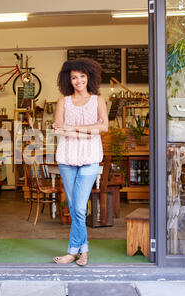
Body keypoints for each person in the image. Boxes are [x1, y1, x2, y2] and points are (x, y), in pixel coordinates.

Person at [52, 58, 108, 266]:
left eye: (82, 76)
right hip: (66, 158)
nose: (78, 81)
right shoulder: (63, 101)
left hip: (90, 158)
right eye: (74, 77)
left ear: (89, 77)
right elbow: (58, 127)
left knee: (79, 208)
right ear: (69, 79)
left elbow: (104, 127)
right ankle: (82, 251)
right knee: (75, 206)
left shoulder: (98, 100)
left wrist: (73, 128)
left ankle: (72, 251)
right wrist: (87, 130)